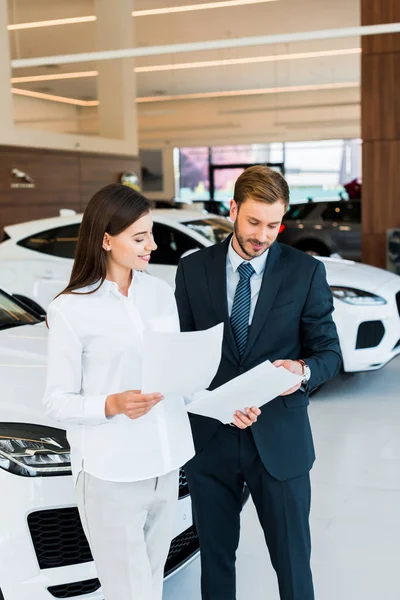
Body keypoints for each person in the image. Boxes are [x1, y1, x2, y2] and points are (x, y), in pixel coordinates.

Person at [175, 165, 342, 600]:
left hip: (279, 441)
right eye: (253, 222)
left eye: (273, 225)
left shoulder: (305, 271)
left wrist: (301, 372)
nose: (263, 235)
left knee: (292, 562)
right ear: (232, 209)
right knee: (214, 561)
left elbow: (329, 353)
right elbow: (182, 357)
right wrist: (208, 401)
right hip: (211, 440)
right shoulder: (192, 271)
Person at [43, 183, 195, 600]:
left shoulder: (161, 294)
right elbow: (57, 400)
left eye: (152, 234)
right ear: (106, 240)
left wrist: (224, 404)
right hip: (112, 474)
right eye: (140, 237)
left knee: (150, 584)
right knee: (127, 592)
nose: (152, 245)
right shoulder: (70, 309)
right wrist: (111, 404)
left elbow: (176, 378)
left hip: (166, 463)